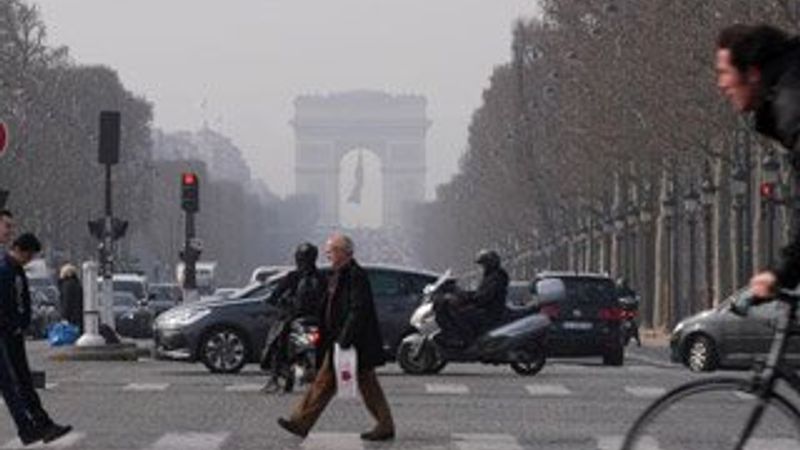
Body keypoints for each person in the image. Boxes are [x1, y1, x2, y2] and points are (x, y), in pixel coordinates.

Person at [277, 233, 395, 442]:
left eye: (330, 251)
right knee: (331, 383)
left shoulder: (355, 275)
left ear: (342, 252)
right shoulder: (339, 274)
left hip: (352, 342)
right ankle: (301, 422)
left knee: (355, 384)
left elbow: (358, 309)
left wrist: (344, 339)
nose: (327, 254)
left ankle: (301, 422)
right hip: (341, 339)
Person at [715, 24, 800, 298]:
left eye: (725, 73)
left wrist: (782, 271)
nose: (722, 84)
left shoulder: (792, 104)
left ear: (752, 73)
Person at [0, 233, 72, 445]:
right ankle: (32, 427)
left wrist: (21, 324)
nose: (29, 260)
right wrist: (12, 325)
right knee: (13, 384)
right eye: (28, 255)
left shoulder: (15, 270)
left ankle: (41, 424)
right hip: (7, 334)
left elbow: (22, 301)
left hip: (13, 333)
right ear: (20, 250)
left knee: (22, 382)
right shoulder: (5, 271)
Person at [261, 242, 325, 393]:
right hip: (318, 320)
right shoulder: (322, 277)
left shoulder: (293, 277)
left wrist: (279, 303)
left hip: (294, 318)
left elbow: (274, 297)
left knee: (275, 342)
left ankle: (274, 378)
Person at [439, 250, 509, 346]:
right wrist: (463, 294)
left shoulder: (496, 278)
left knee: (461, 314)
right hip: (486, 308)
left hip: (490, 311)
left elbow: (484, 296)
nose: (482, 268)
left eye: (484, 264)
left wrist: (467, 298)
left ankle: (467, 341)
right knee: (460, 309)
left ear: (490, 264)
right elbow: (480, 293)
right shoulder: (491, 276)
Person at [57, 264, 83, 333]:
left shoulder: (67, 285)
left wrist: (64, 316)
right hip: (78, 315)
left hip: (71, 317)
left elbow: (67, 302)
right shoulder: (77, 283)